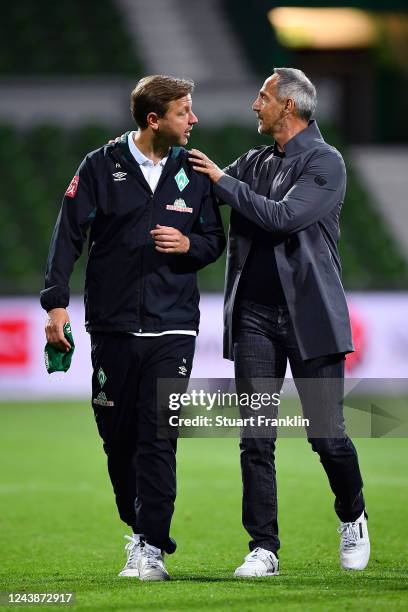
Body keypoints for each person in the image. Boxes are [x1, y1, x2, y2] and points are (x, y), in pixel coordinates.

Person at [41, 75, 225, 581]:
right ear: (154, 119)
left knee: (158, 437)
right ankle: (138, 526)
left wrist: (191, 247)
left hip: (173, 329)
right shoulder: (101, 167)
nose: (194, 120)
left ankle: (150, 547)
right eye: (185, 111)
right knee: (117, 440)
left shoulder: (194, 170)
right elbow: (66, 237)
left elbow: (214, 239)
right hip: (113, 327)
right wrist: (55, 305)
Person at [189, 67, 370, 577]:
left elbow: (281, 217)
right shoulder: (253, 161)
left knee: (326, 435)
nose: (255, 106)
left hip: (310, 316)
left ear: (288, 106)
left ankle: (352, 513)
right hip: (253, 318)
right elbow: (203, 189)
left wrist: (222, 182)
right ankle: (263, 547)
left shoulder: (326, 163)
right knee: (256, 437)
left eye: (263, 97)